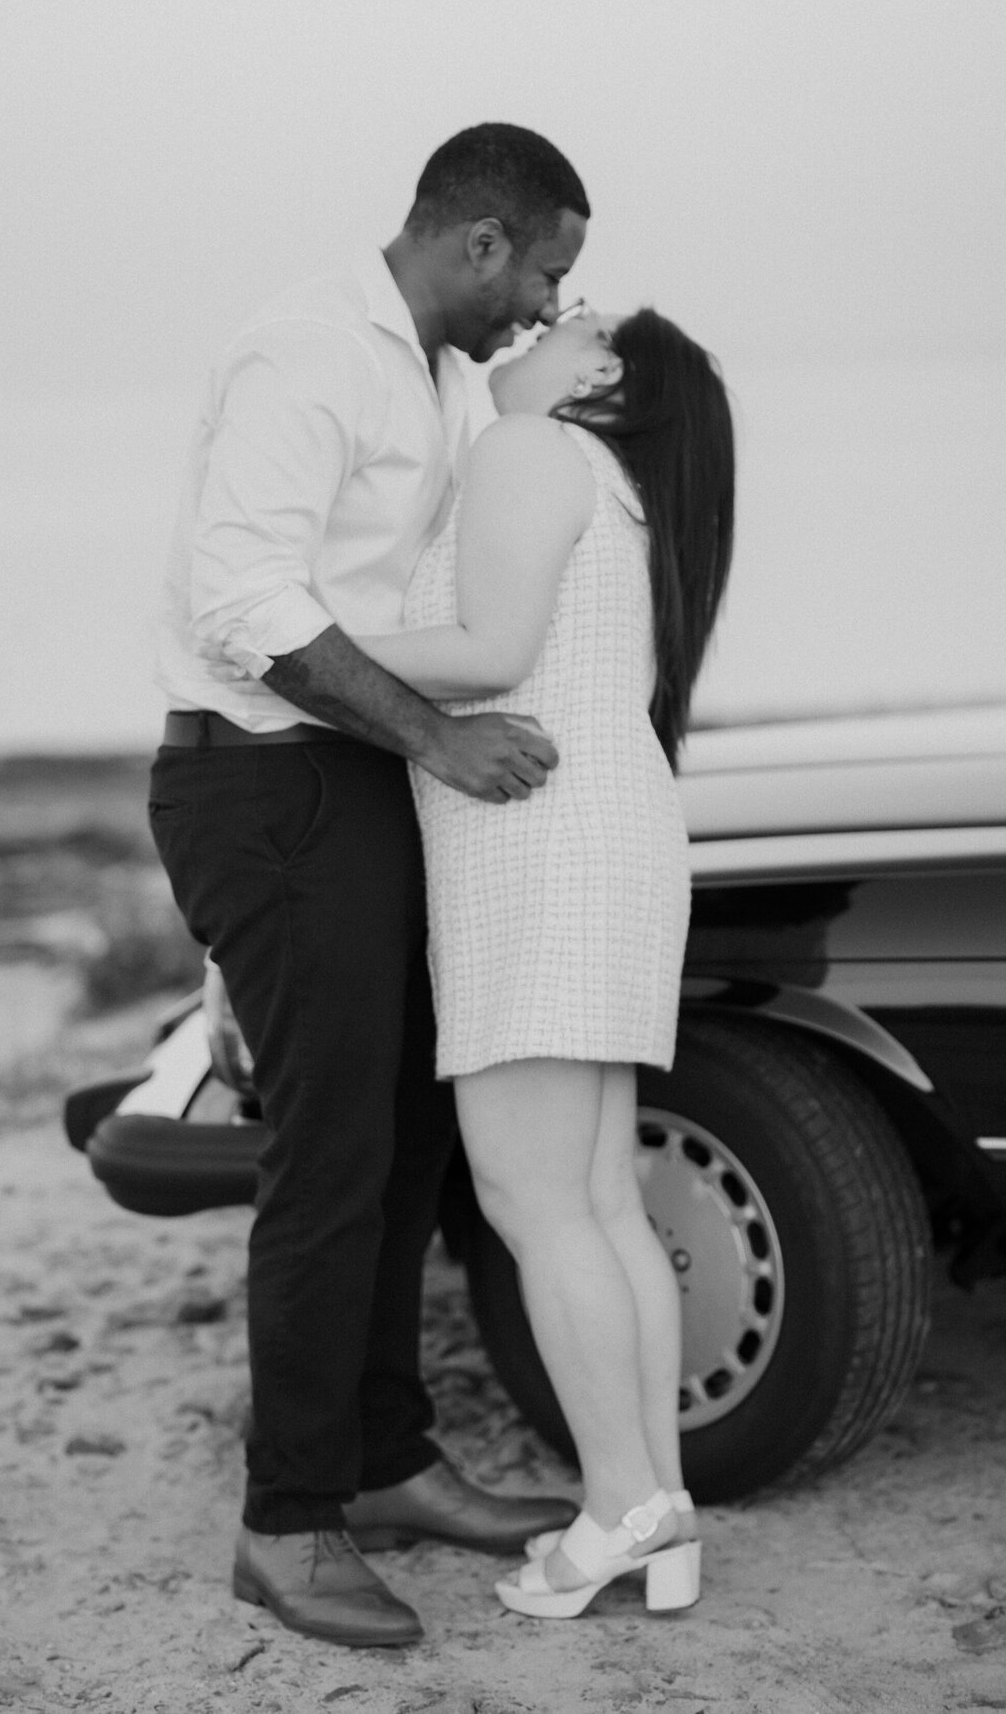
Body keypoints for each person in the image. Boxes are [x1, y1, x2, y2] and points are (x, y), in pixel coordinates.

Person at [149, 125, 588, 1649]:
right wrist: (440, 739)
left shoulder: (445, 371)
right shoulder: (308, 350)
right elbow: (244, 601)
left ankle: (387, 1460)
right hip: (264, 783)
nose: (542, 301)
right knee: (332, 1154)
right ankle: (286, 1524)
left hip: (350, 782)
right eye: (544, 270)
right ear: (481, 239)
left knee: (408, 1138)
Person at [342, 302, 736, 1619]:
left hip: (538, 848)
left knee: (538, 1203)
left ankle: (617, 1509)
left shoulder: (529, 448)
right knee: (602, 1202)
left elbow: (492, 657)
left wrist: (298, 655)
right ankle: (659, 1508)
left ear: (602, 373)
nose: (545, 322)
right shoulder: (620, 490)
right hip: (611, 839)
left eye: (575, 318)